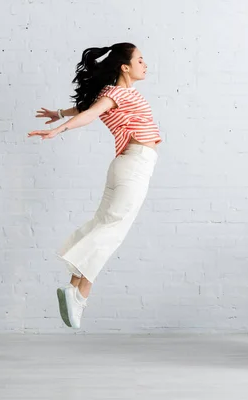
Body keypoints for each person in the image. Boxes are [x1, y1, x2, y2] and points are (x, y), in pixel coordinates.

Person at [27, 42, 162, 329]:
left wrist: (60, 114)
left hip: (124, 166)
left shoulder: (115, 93)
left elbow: (86, 107)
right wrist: (58, 129)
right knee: (113, 229)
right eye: (140, 60)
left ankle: (75, 288)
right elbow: (90, 114)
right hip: (135, 166)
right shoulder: (117, 93)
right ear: (124, 67)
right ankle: (80, 293)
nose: (145, 64)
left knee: (104, 223)